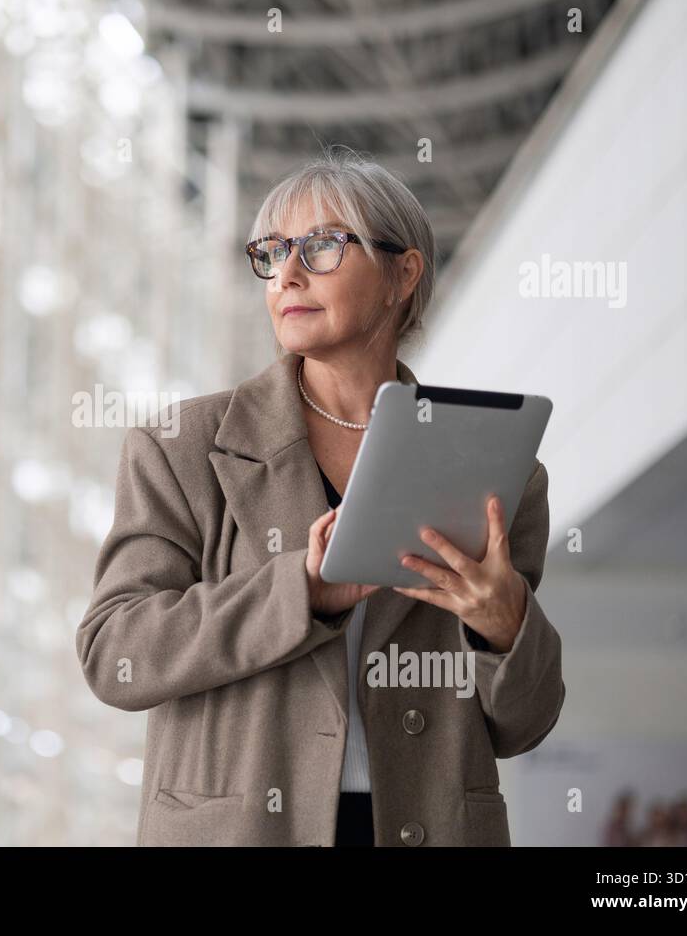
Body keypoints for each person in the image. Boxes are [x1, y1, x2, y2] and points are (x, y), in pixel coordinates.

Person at [76, 146, 565, 846]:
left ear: (404, 273)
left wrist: (507, 627)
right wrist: (298, 591)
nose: (289, 274)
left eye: (324, 246)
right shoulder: (182, 447)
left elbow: (525, 723)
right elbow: (113, 652)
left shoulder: (498, 468)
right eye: (272, 252)